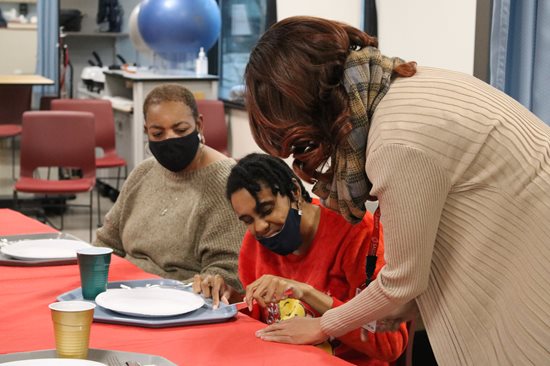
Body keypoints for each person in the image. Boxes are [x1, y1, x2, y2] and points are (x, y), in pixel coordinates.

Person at [242, 16, 550, 366]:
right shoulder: (405, 84)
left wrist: (322, 326)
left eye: (303, 140)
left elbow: (402, 280)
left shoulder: (395, 140)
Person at [193, 153, 408, 366]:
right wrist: (229, 296)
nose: (259, 227)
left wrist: (306, 293)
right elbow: (263, 318)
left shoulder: (358, 235)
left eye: (267, 210)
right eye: (248, 220)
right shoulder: (255, 243)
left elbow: (389, 343)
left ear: (294, 191)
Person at [94, 84, 245, 290]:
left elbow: (225, 275)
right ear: (146, 131)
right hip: (123, 292)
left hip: (180, 301)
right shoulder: (144, 172)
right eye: (158, 133)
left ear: (199, 124)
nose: (170, 139)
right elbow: (106, 242)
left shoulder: (226, 182)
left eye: (180, 130)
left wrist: (160, 294)